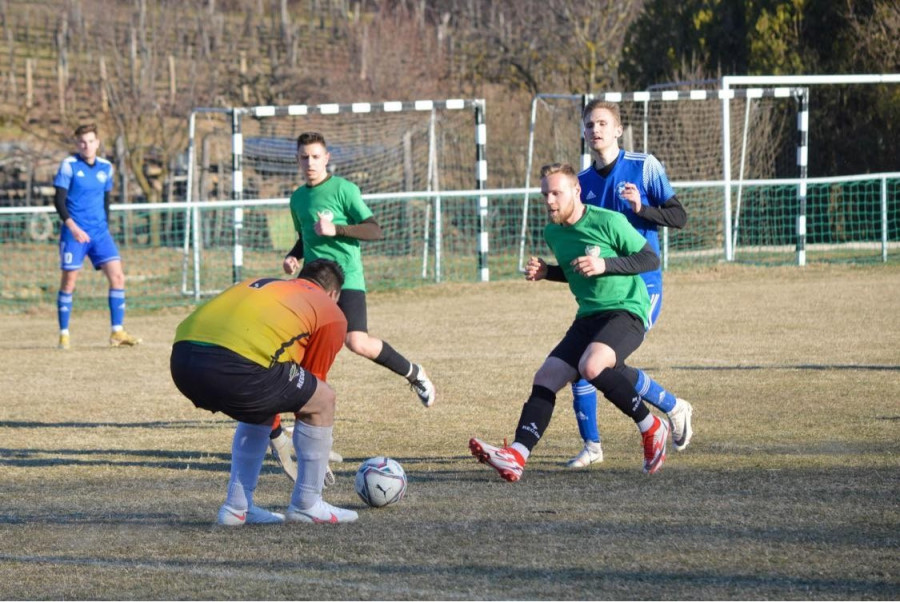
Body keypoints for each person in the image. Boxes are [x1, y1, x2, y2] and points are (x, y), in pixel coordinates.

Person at [469, 163, 678, 481]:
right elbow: (573, 270)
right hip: (588, 317)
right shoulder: (552, 232)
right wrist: (547, 272)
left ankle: (652, 427)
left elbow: (650, 258)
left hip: (626, 311)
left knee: (592, 367)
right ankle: (517, 455)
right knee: (546, 376)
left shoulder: (609, 220)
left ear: (576, 191)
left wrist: (604, 264)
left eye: (556, 192)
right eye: (545, 194)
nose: (549, 200)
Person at [270, 131, 437, 474]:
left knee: (357, 342)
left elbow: (374, 229)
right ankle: (311, 436)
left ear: (327, 158)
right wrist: (292, 257)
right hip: (312, 284)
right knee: (304, 355)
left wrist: (339, 231)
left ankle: (414, 373)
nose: (310, 163)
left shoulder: (345, 190)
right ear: (297, 160)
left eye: (315, 156)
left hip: (348, 279)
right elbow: (306, 236)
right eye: (304, 157)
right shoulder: (298, 198)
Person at [170, 258, 358, 525]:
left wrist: (275, 426)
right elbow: (312, 393)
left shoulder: (263, 285)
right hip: (235, 366)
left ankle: (237, 508)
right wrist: (313, 451)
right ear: (333, 294)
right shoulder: (330, 310)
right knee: (324, 399)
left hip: (181, 360)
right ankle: (307, 503)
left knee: (263, 398)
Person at [565, 100, 693, 469]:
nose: (596, 130)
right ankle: (592, 445)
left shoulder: (643, 166)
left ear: (618, 130)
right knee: (582, 362)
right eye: (589, 124)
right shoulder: (582, 184)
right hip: (604, 290)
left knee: (602, 362)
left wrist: (641, 210)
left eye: (603, 123)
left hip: (643, 287)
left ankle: (672, 406)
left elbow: (679, 216)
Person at [53, 123, 140, 350]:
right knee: (69, 282)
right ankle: (64, 333)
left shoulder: (106, 167)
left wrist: (105, 227)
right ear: (77, 144)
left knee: (118, 277)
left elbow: (106, 201)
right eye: (82, 142)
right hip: (75, 233)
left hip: (100, 233)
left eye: (91, 141)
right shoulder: (69, 165)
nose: (87, 145)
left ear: (97, 143)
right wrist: (72, 227)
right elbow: (59, 200)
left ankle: (117, 332)